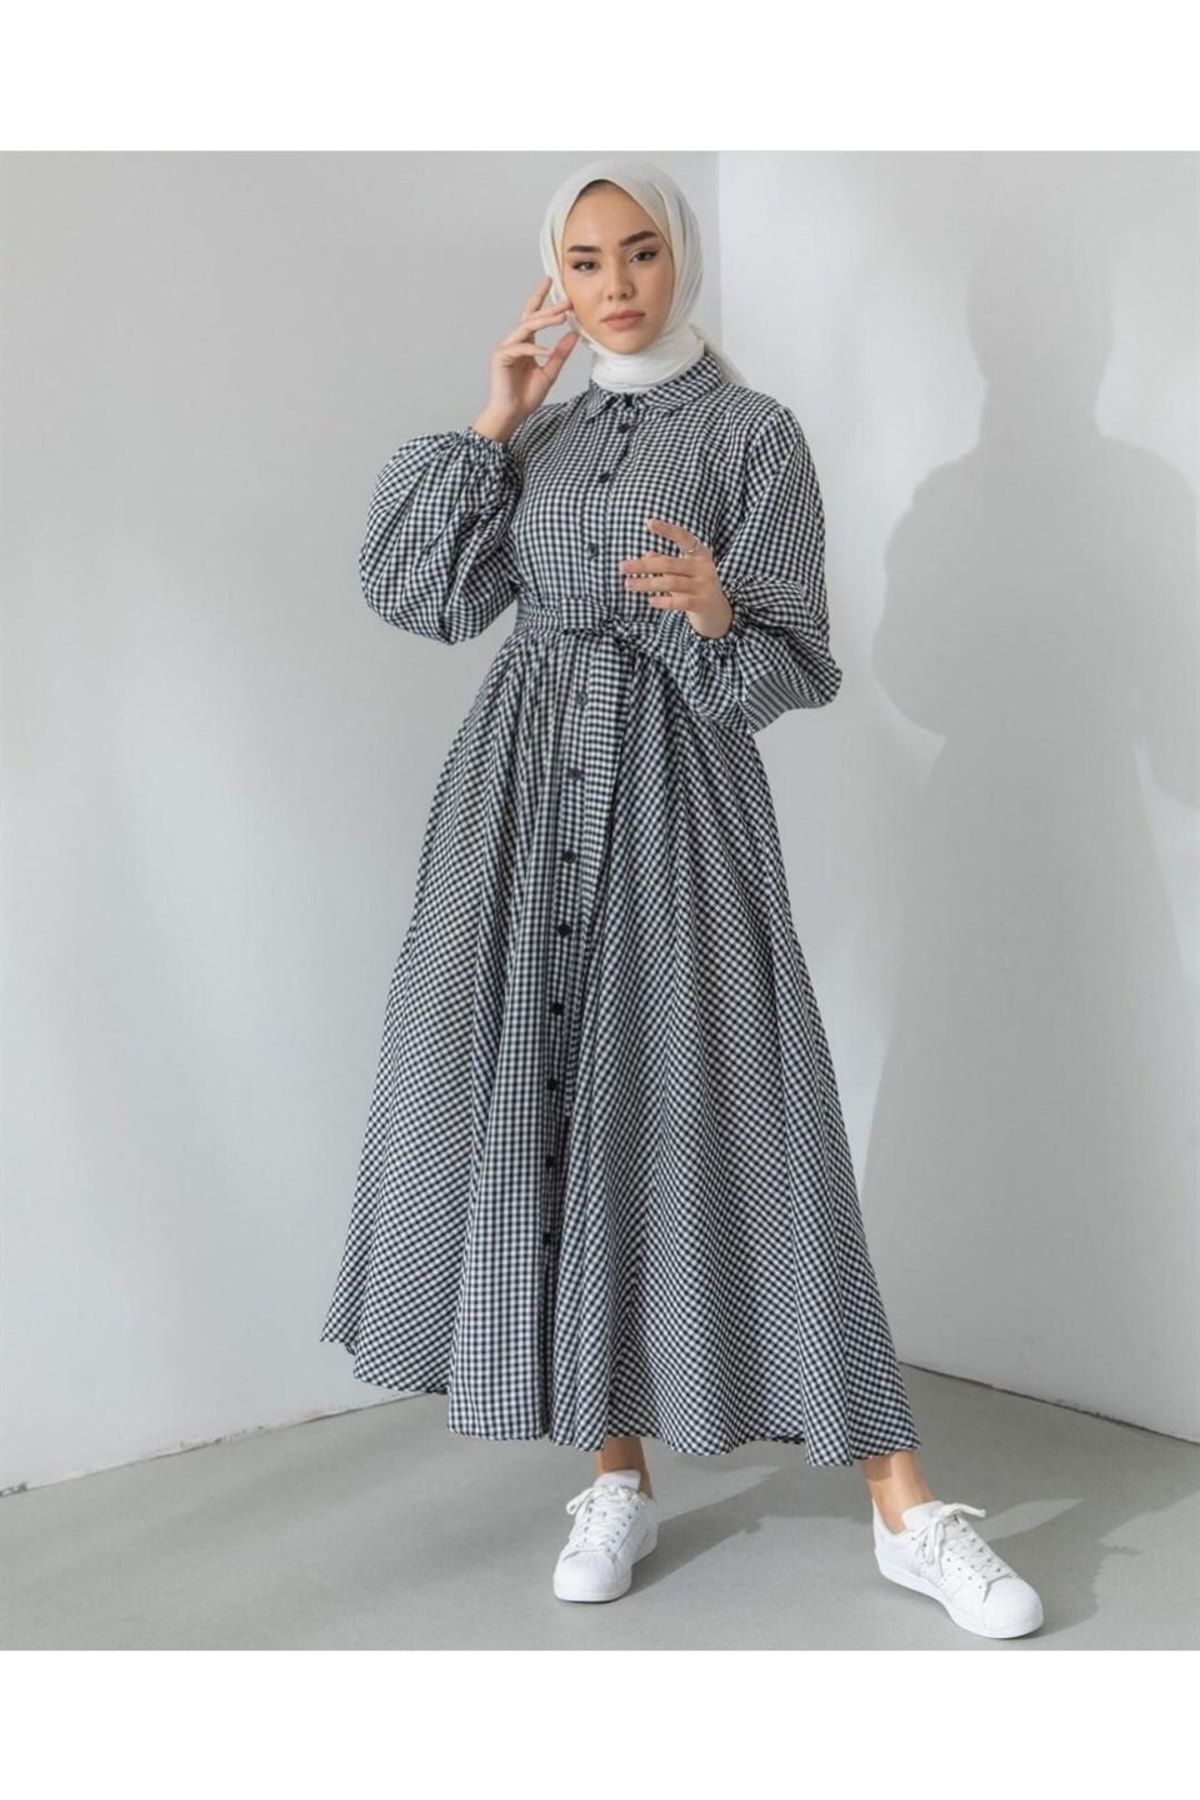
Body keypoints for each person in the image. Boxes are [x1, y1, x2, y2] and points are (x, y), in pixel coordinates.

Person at [319, 156, 1044, 1639]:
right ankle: (615, 1472)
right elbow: (419, 595)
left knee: (752, 1118)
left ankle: (904, 1504)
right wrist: (493, 419)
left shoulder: (752, 434)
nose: (616, 285)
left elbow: (797, 666)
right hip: (519, 807)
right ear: (557, 277)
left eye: (640, 252)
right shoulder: (542, 437)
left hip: (674, 802)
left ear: (681, 257)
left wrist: (719, 615)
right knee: (557, 1112)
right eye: (585, 261)